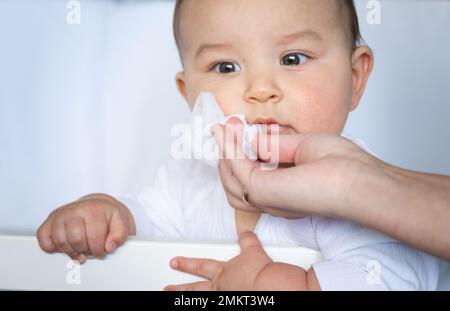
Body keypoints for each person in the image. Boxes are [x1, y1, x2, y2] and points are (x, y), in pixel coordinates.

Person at [36, 0, 440, 290]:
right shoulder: (187, 179)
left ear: (355, 77)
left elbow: (399, 275)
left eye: (293, 59)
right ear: (189, 94)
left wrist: (274, 286)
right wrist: (107, 213)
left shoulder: (360, 192)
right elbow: (146, 229)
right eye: (225, 67)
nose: (260, 90)